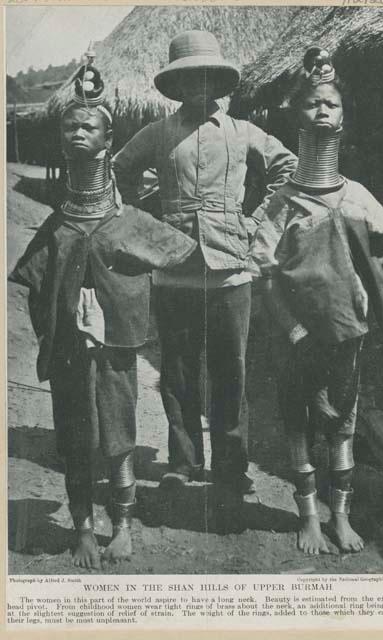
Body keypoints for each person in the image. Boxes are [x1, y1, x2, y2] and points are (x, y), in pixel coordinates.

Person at [9, 56, 196, 569]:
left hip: (116, 349)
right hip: (70, 348)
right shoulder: (56, 228)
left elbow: (178, 257)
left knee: (118, 433)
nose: (77, 132)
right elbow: (33, 286)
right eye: (69, 125)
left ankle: (124, 527)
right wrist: (55, 329)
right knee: (72, 433)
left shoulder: (130, 223)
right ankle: (84, 529)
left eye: (88, 125)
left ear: (108, 140)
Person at [112, 30, 298, 502]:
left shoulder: (243, 132)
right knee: (176, 370)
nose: (199, 86)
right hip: (173, 272)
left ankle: (231, 466)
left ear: (220, 82)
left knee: (230, 370)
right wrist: (145, 225)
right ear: (176, 85)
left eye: (208, 77)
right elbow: (117, 172)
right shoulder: (157, 134)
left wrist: (255, 220)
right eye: (189, 78)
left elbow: (288, 170)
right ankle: (182, 462)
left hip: (232, 269)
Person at [249, 47, 383, 554]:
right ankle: (309, 517)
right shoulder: (281, 202)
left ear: (343, 116)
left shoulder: (356, 196)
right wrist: (292, 328)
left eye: (332, 105)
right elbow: (261, 267)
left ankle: (341, 516)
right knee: (298, 419)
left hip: (346, 334)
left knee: (342, 422)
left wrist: (366, 295)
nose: (322, 111)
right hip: (295, 334)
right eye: (314, 103)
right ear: (298, 114)